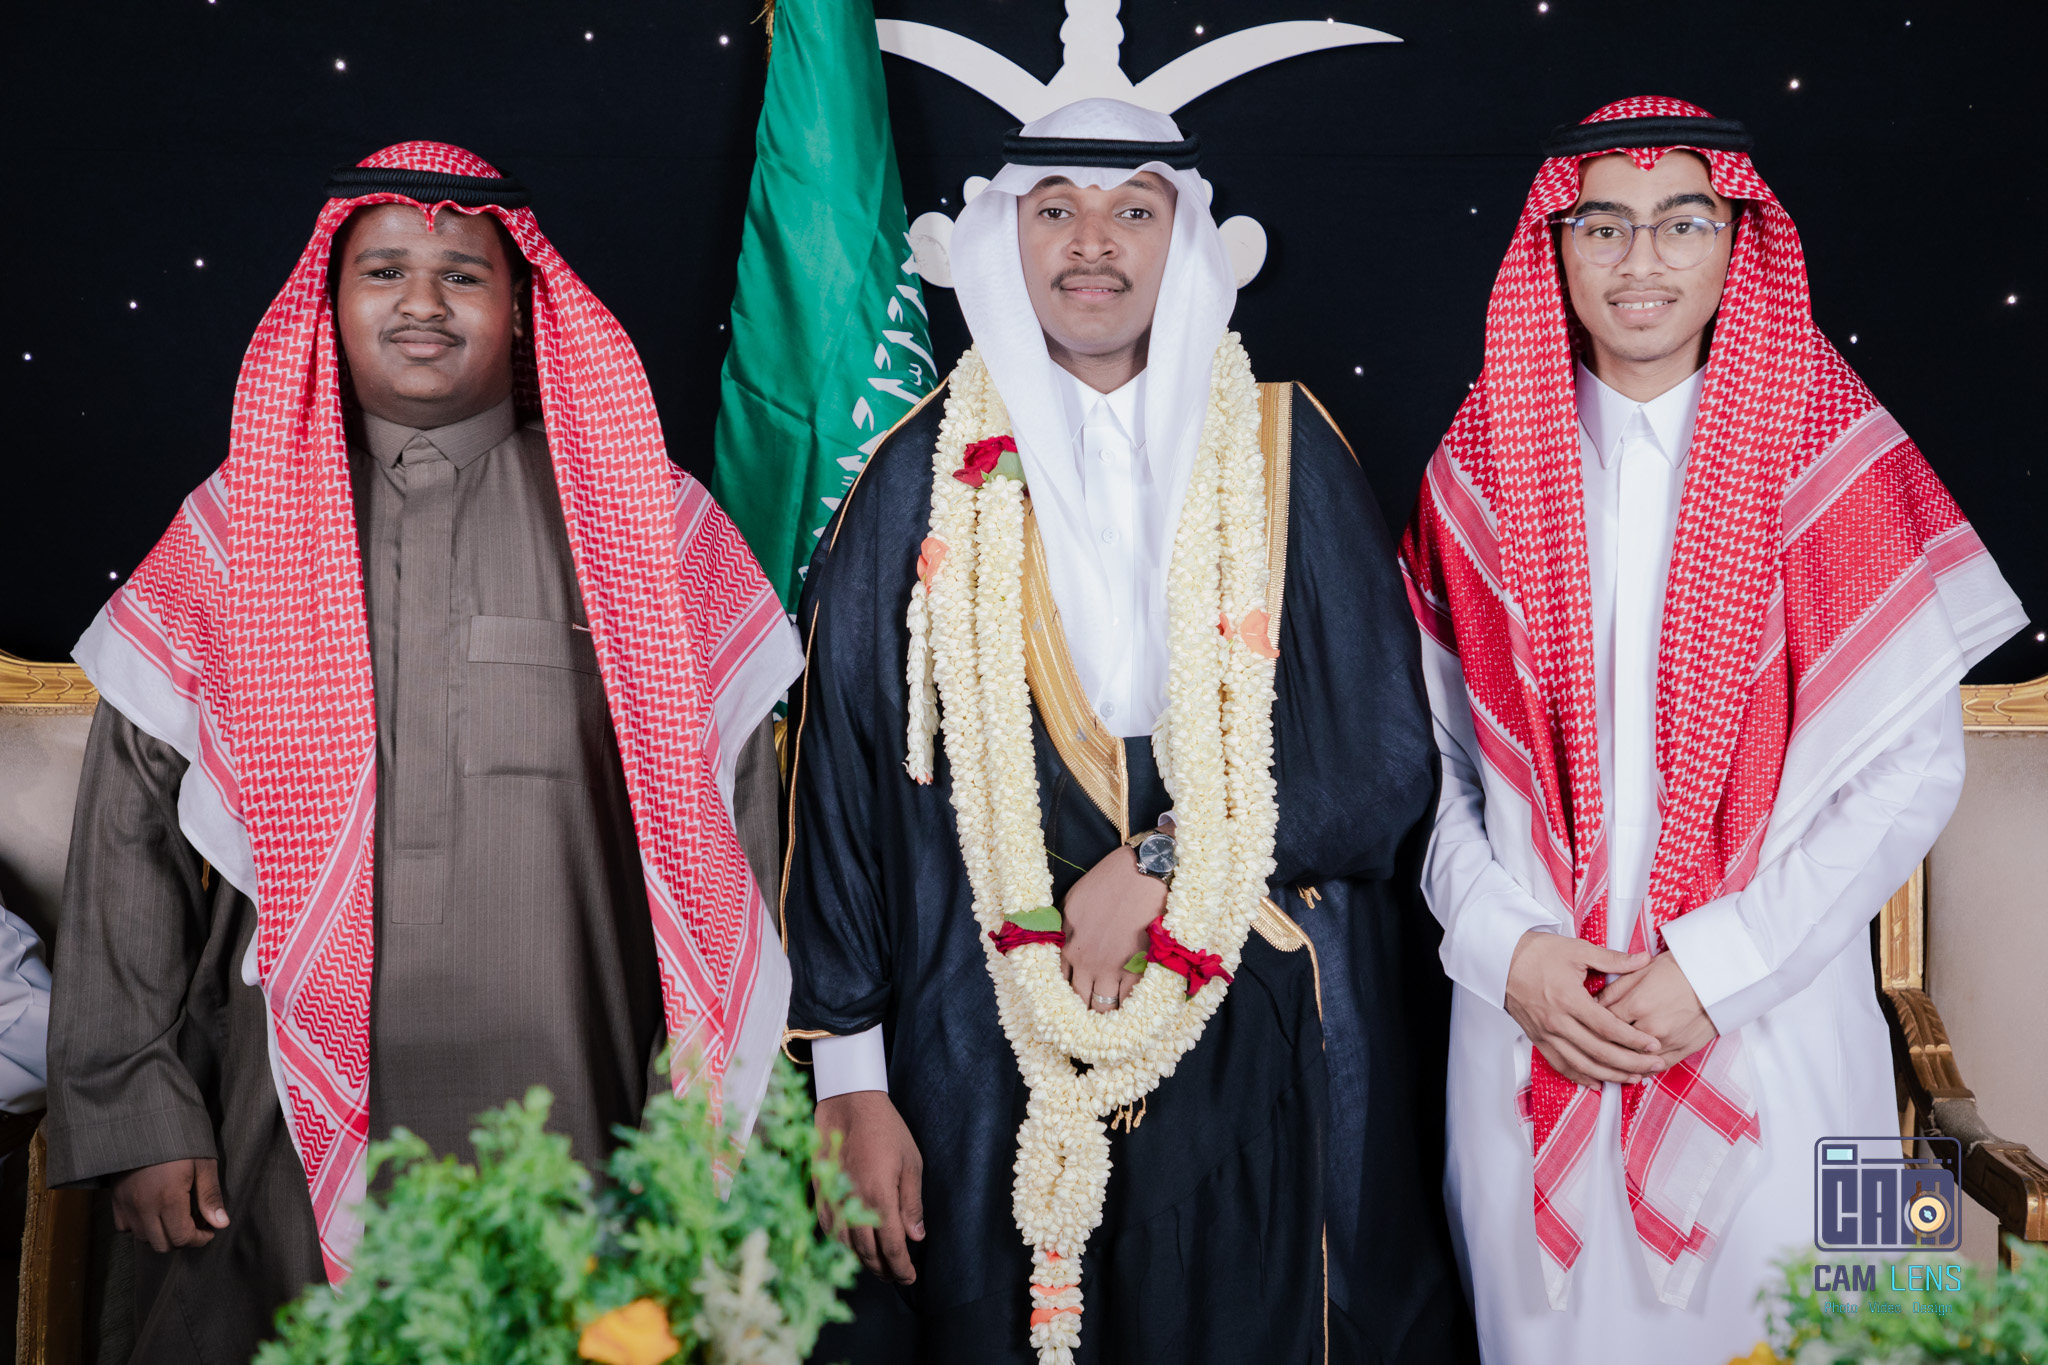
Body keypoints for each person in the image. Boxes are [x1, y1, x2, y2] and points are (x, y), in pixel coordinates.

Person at [46, 142, 801, 1363]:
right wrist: (133, 1107)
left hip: (584, 1112)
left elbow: (739, 832)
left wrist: (703, 1118)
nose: (422, 303)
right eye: (384, 270)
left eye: (462, 274)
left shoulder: (646, 526)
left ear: (524, 308)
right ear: (328, 304)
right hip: (272, 1129)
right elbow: (124, 840)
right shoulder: (234, 534)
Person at [782, 99, 1475, 1365]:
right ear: (1006, 237)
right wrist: (849, 1081)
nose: (1091, 242)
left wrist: (1162, 863)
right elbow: (840, 789)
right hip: (986, 1042)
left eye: (1132, 211)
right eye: (1055, 210)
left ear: (1182, 238)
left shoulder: (1280, 447)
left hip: (1262, 1031)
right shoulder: (916, 476)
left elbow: (1382, 764)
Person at [1400, 98, 2026, 1361]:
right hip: (1535, 1027)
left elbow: (1911, 773)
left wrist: (1716, 968)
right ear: (1556, 248)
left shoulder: (1832, 457)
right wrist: (1507, 951)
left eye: (1680, 223)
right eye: (1602, 227)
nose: (1639, 261)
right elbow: (1435, 772)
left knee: (1826, 1335)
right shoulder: (1476, 467)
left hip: (1778, 1017)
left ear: (1737, 241)